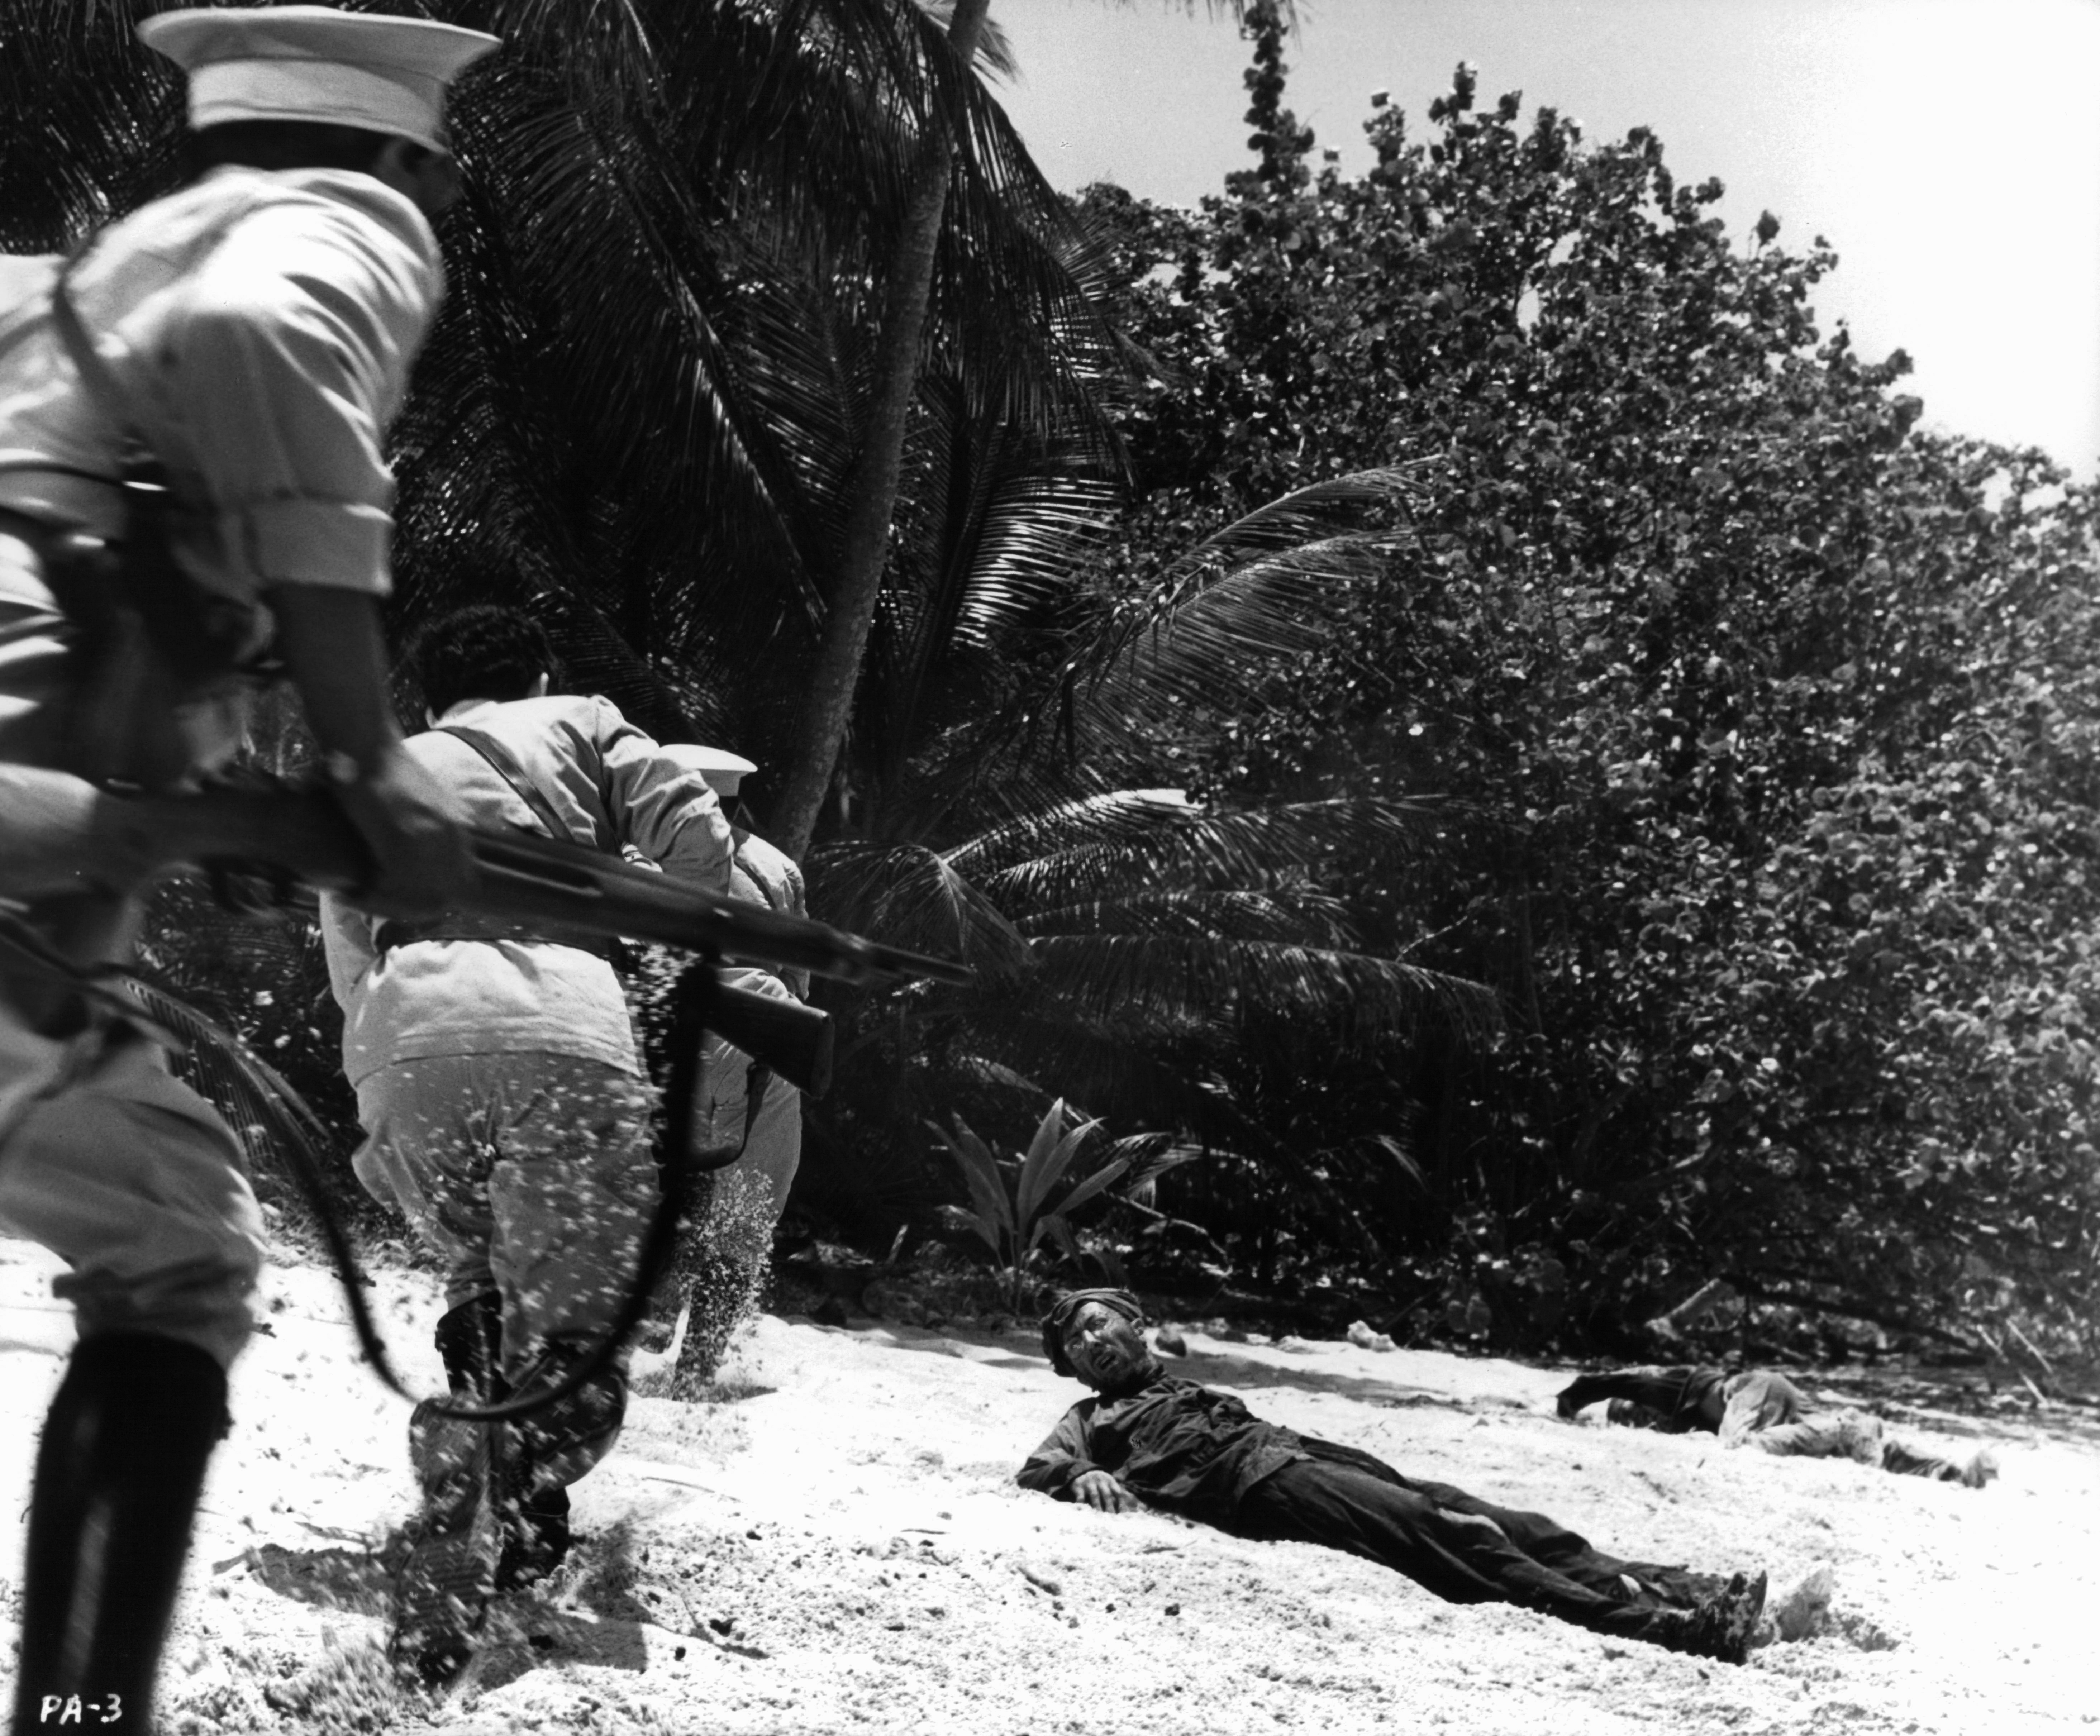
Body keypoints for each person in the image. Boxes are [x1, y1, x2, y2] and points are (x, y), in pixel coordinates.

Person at [0, 8, 492, 1725]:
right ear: (401, 154)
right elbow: (259, 323)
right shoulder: (326, 230)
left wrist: (227, 803)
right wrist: (364, 763)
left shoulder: (59, 295)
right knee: (179, 1262)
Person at [318, 604, 735, 1684]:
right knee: (583, 1346)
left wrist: (387, 1049)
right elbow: (700, 844)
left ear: (427, 700)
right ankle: (493, 1452)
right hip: (562, 1023)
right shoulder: (585, 721)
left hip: (406, 1040)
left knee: (477, 1269)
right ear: (540, 673)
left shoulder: (376, 763)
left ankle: (508, 1520)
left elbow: (347, 940)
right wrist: (634, 953)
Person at [1019, 1290, 1770, 1664]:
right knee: (1445, 1538)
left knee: (1507, 1521)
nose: (1089, 1346)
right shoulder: (1092, 1417)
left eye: (1095, 1326)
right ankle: (1672, 1633)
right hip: (1258, 1483)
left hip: (1299, 1451)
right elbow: (1041, 1465)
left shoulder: (1182, 1385)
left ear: (1131, 1321)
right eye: (1075, 1347)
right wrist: (1083, 1472)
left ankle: (1690, 1588)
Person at [641, 744, 808, 1393]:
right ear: (738, 801)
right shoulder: (773, 865)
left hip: (650, 1031)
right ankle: (698, 1367)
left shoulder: (629, 853)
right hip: (755, 1033)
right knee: (748, 1205)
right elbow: (796, 972)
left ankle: (632, 1327)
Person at [1554, 1365, 1999, 1487]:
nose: (1642, 1420)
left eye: (1634, 1415)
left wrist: (1578, 1394)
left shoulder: (1676, 1387)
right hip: (1788, 1408)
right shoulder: (1678, 1424)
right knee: (1841, 1437)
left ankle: (1853, 1429)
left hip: (1752, 1386)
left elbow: (1633, 1378)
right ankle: (1953, 1472)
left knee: (1741, 1444)